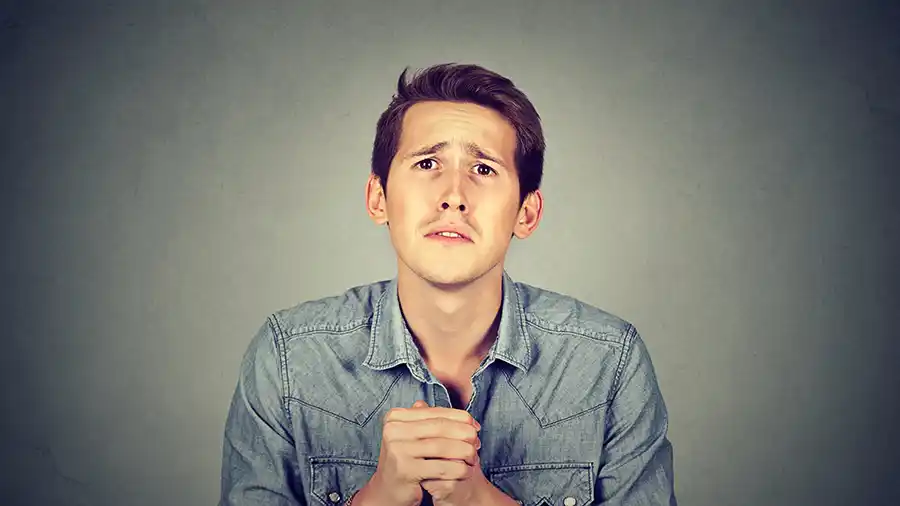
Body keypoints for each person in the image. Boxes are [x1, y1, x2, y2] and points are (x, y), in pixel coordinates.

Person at [219, 62, 676, 506]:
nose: (453, 197)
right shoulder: (288, 358)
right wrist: (379, 499)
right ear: (378, 199)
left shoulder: (609, 362)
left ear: (526, 213)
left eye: (483, 170)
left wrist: (480, 501)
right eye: (427, 163)